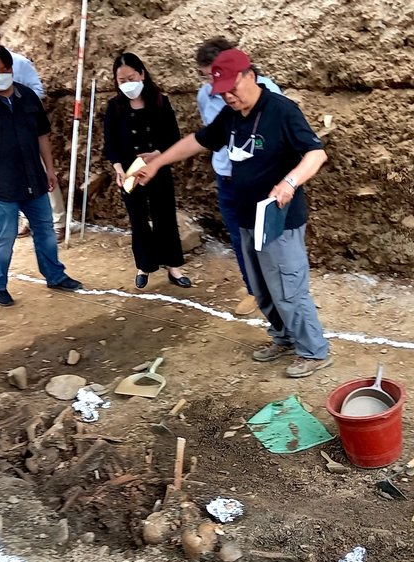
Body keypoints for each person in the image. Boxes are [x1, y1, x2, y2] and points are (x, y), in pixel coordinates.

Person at [135, 49, 333, 378]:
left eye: (232, 88)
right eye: (221, 91)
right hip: (245, 216)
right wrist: (156, 163)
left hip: (278, 219)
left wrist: (289, 182)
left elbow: (316, 154)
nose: (227, 96)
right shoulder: (231, 115)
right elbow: (197, 141)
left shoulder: (282, 110)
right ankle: (282, 338)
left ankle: (314, 351)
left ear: (250, 76)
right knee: (262, 286)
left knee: (287, 287)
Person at [0, 46, 82, 306]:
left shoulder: (27, 96)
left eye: (6, 70)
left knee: (45, 231)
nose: (2, 75)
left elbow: (42, 135)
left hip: (33, 179)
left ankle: (55, 275)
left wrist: (49, 168)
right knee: (5, 235)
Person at [195, 38, 283, 315]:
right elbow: (209, 136)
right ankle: (254, 290)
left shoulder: (266, 92)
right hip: (227, 178)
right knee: (239, 237)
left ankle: (280, 292)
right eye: (207, 77)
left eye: (216, 75)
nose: (213, 84)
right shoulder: (204, 96)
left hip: (260, 181)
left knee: (269, 239)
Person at [0, 19, 69, 240]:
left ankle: (58, 221)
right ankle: (26, 220)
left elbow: (37, 89)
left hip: (25, 128)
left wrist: (19, 102)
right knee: (9, 182)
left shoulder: (18, 62)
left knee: (40, 174)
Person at [103, 53, 190, 290]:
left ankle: (173, 265)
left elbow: (173, 136)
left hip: (158, 167)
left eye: (131, 77)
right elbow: (110, 144)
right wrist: (119, 170)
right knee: (138, 219)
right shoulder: (114, 107)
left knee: (165, 216)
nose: (127, 84)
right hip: (130, 172)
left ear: (142, 74)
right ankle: (144, 265)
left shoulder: (160, 101)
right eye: (122, 80)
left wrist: (159, 154)